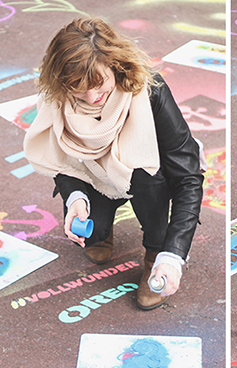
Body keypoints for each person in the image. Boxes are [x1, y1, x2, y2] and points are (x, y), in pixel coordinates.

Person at [23, 17, 205, 310]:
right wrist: (75, 197)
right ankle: (102, 228)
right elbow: (61, 161)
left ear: (116, 65)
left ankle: (153, 256)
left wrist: (173, 254)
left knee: (146, 174)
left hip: (149, 178)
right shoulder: (54, 97)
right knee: (90, 236)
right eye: (78, 89)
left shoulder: (150, 91)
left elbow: (188, 177)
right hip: (95, 177)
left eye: (99, 85)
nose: (92, 98)